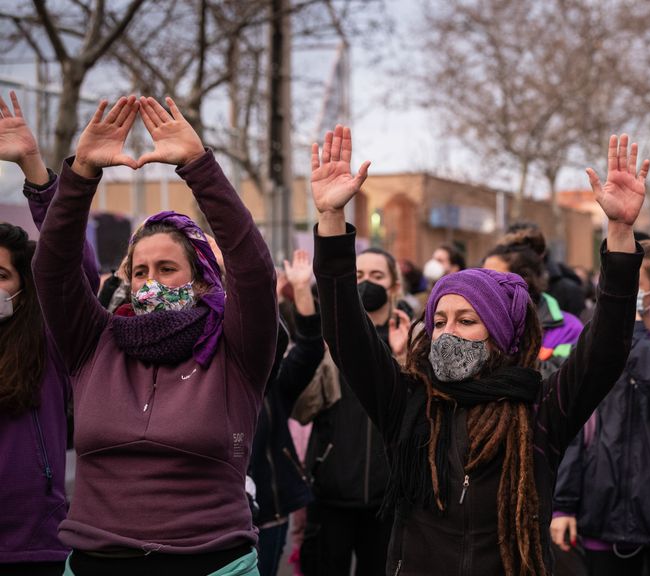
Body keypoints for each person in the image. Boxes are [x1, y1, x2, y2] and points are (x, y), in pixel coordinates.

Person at [310, 125, 646, 575]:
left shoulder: (540, 412)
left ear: (503, 336)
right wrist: (332, 222)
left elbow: (605, 350)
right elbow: (346, 333)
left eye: (467, 321)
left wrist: (621, 232)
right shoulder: (408, 404)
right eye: (440, 321)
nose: (448, 333)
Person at [33, 95, 277, 574]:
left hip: (211, 562)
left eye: (167, 268)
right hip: (96, 560)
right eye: (140, 270)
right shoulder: (94, 342)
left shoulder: (235, 350)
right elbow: (53, 270)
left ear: (203, 280)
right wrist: (81, 173)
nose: (150, 281)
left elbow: (252, 271)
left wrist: (198, 167)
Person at [551, 239, 650, 575]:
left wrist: (633, 334)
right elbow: (578, 426)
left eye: (633, 285)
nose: (621, 293)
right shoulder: (595, 348)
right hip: (605, 513)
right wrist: (563, 504)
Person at [0, 90, 100, 576]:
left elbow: (75, 272)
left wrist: (34, 169)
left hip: (35, 548)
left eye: (0, 275)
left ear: (23, 284)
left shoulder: (47, 343)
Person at [301, 246, 408, 576]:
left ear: (393, 286)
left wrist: (402, 358)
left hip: (387, 500)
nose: (367, 283)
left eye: (377, 277)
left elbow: (417, 412)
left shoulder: (413, 339)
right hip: (331, 493)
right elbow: (301, 404)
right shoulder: (329, 338)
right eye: (358, 276)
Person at [251, 249, 324, 576]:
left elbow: (309, 346)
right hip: (207, 521)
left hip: (268, 513)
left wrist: (300, 289)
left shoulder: (271, 382)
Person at [484, 243, 584, 378]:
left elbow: (561, 380)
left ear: (524, 281)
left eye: (494, 279)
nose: (483, 285)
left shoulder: (569, 328)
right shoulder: (480, 321)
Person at [502, 222, 587, 317]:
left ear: (541, 252)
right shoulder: (501, 286)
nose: (518, 257)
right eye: (512, 250)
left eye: (526, 250)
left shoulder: (569, 291)